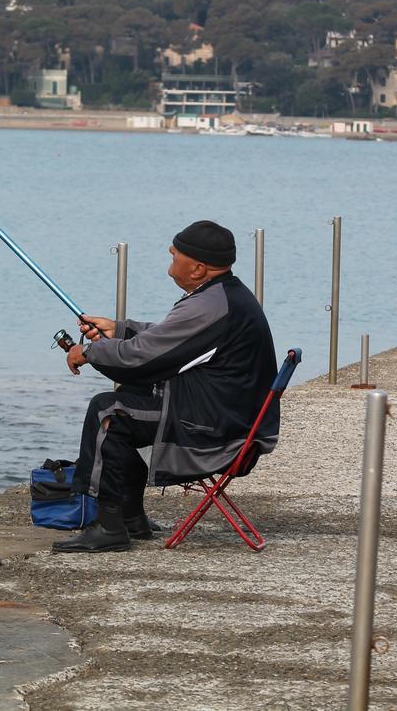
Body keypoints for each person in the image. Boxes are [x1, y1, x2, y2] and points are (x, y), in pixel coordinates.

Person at [52, 220, 279, 553]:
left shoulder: (209, 305)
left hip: (217, 430)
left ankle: (109, 526)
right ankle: (131, 519)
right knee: (129, 398)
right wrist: (120, 329)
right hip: (230, 417)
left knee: (108, 411)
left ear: (198, 268)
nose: (170, 262)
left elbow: (140, 360)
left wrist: (88, 351)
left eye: (175, 256)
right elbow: (168, 338)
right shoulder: (223, 296)